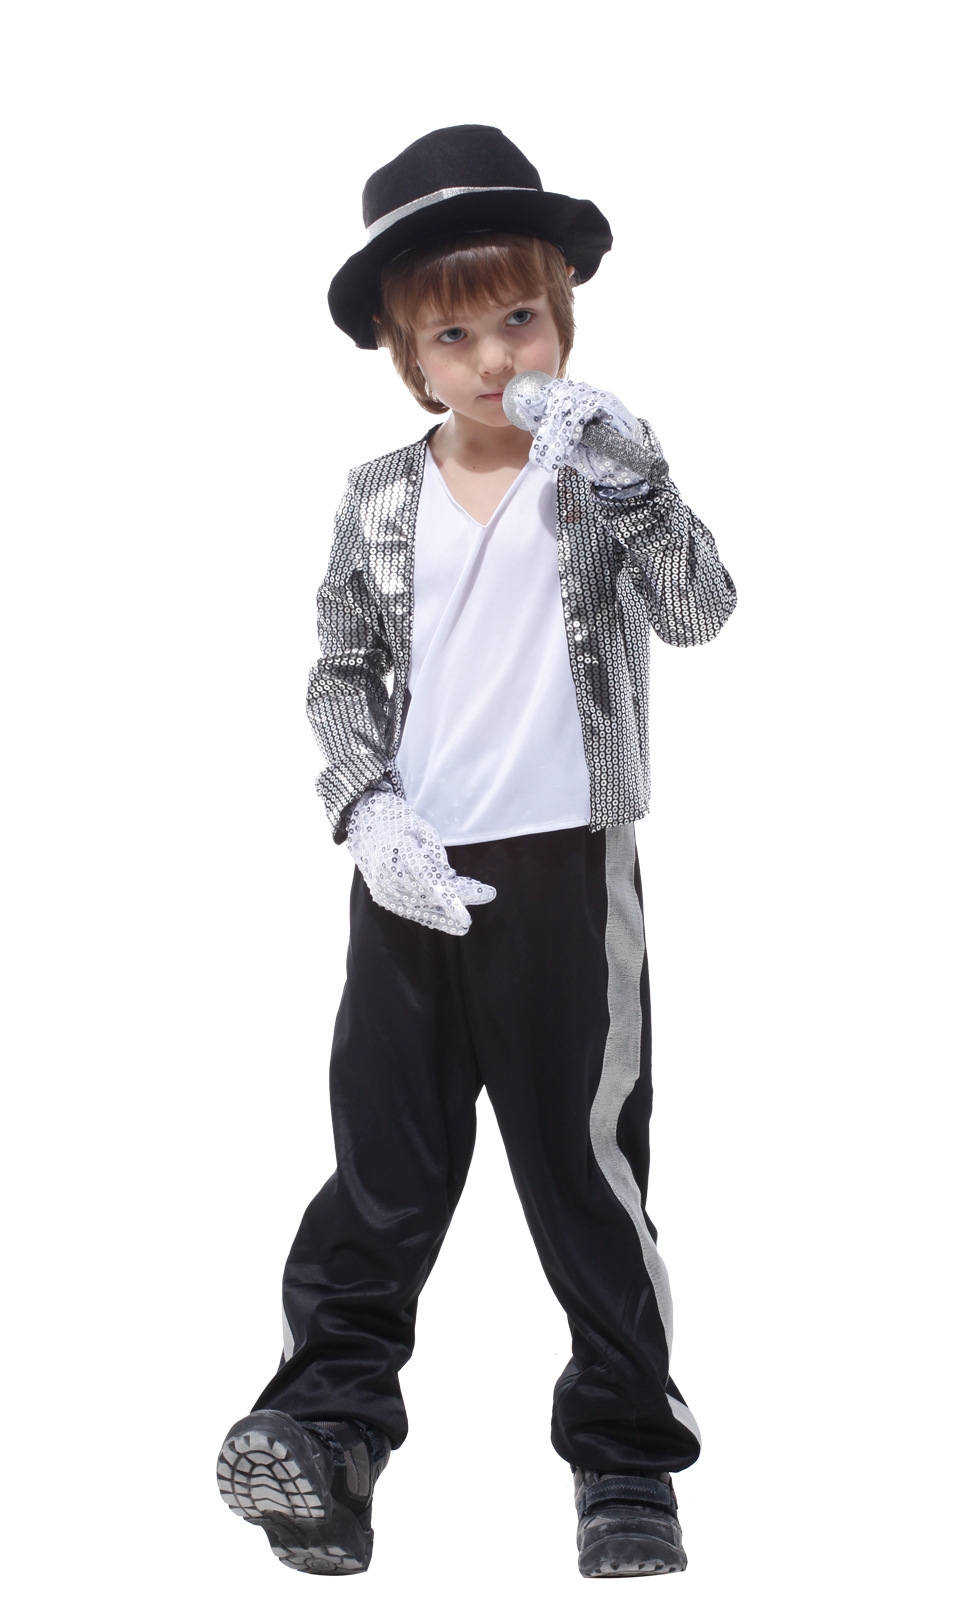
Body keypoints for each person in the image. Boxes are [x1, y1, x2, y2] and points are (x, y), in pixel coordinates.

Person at [216, 124, 736, 1580]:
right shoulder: (377, 496)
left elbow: (701, 611)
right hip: (408, 880)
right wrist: (367, 812)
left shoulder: (601, 476)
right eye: (456, 334)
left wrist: (640, 481)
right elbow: (339, 674)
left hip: (564, 874)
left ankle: (626, 1461)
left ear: (562, 319)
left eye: (520, 317)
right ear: (411, 361)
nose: (497, 355)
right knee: (382, 1169)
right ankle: (324, 1435)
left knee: (584, 1174)